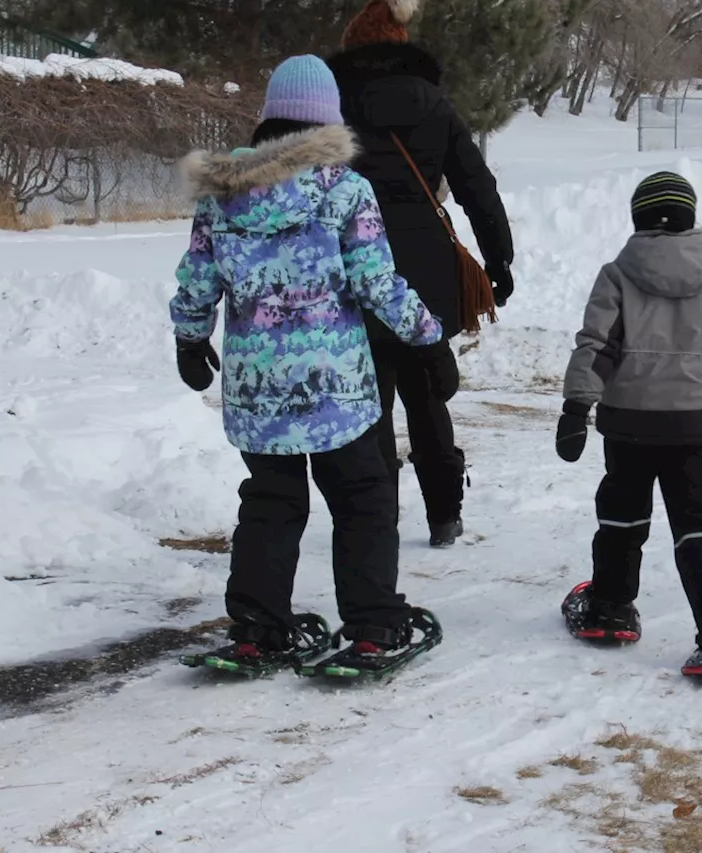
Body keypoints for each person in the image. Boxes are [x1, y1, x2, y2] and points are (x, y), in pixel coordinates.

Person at [170, 54, 453, 668]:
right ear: (328, 122)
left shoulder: (222, 197)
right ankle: (375, 626)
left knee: (271, 501)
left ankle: (257, 629)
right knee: (361, 497)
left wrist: (189, 338)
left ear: (269, 119)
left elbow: (198, 279)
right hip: (336, 392)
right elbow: (379, 286)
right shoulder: (348, 191)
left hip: (255, 391)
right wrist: (430, 339)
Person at [554, 172, 702, 679]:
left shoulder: (616, 275)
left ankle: (609, 606)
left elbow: (597, 347)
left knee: (621, 513)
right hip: (694, 425)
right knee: (697, 519)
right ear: (689, 218)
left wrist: (576, 408)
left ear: (637, 217)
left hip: (627, 422)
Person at [330, 0, 516, 548]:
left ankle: (377, 520)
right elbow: (478, 187)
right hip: (428, 274)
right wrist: (498, 259)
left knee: (373, 402)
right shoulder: (435, 104)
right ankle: (445, 517)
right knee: (427, 393)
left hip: (357, 272)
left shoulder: (334, 107)